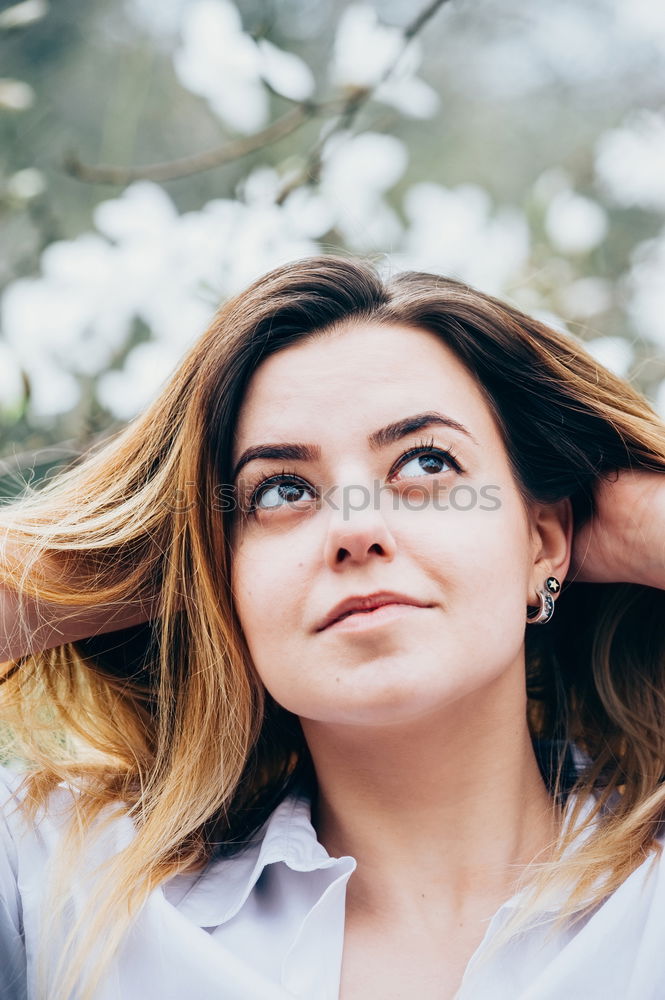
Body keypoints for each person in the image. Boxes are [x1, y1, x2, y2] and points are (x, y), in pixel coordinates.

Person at [1, 255, 665, 1000]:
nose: (354, 529)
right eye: (281, 490)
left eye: (425, 462)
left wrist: (640, 523)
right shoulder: (66, 882)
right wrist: (109, 564)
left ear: (541, 540)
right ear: (221, 580)